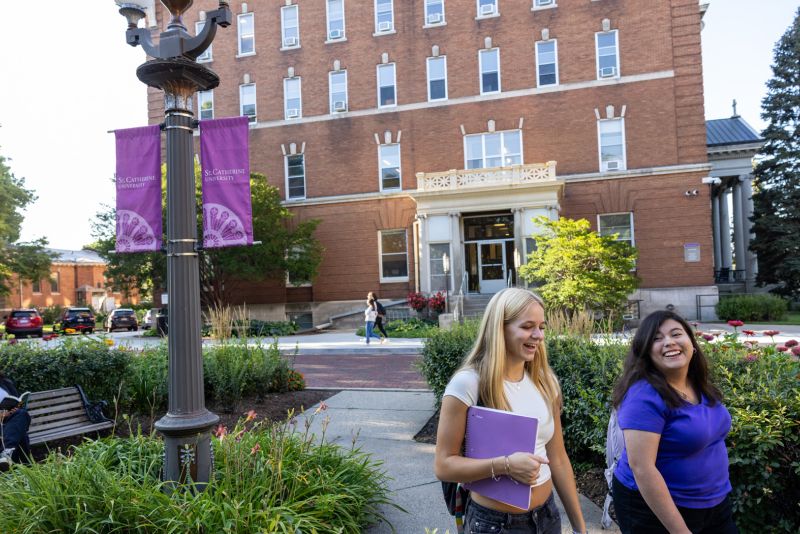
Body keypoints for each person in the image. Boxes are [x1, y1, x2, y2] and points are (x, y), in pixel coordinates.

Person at [434, 288, 587, 534]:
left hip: (548, 517)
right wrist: (505, 465)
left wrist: (581, 528)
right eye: (527, 326)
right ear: (499, 329)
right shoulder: (468, 383)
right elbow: (443, 465)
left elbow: (558, 458)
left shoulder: (546, 381)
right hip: (495, 524)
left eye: (542, 326)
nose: (538, 335)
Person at [611, 310, 737, 534]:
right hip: (655, 509)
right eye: (657, 339)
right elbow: (642, 469)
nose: (668, 342)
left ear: (692, 343)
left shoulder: (697, 383)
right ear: (646, 352)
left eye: (676, 334)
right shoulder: (644, 396)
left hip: (714, 502)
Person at [0, 372, 31, 471]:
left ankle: (7, 452)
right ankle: (26, 471)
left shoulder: (5, 382)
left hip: (9, 422)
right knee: (19, 433)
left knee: (21, 414)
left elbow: (18, 402)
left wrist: (16, 408)